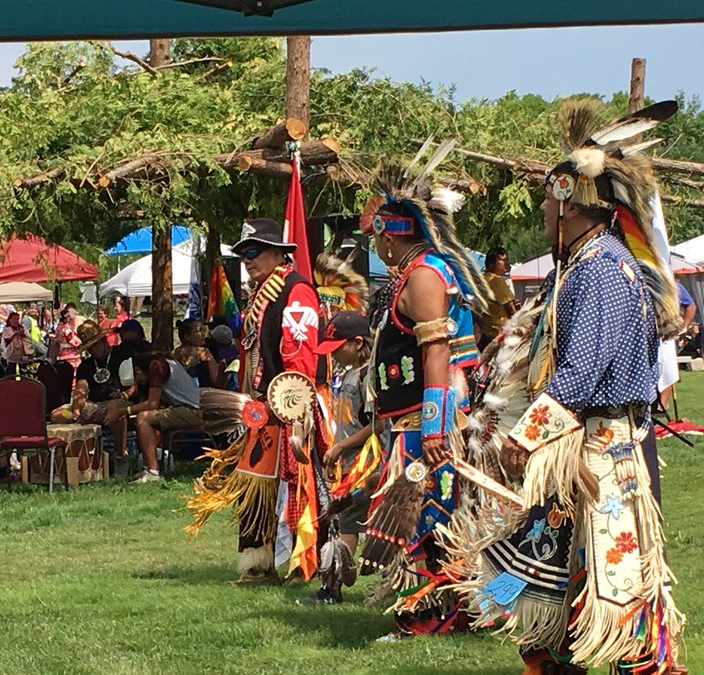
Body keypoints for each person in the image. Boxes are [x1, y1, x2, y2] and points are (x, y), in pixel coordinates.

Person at [452, 98, 704, 675]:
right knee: (548, 551)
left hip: (604, 442)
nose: (541, 212)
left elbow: (584, 370)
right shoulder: (583, 266)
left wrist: (528, 432)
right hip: (579, 437)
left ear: (568, 200)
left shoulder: (600, 271)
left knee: (617, 561)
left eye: (545, 201)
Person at [356, 163, 488, 640]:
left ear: (389, 237)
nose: (373, 245)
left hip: (427, 422)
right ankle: (454, 612)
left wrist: (432, 428)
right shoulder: (420, 272)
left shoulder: (424, 278)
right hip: (417, 419)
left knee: (425, 514)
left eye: (375, 236)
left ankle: (427, 617)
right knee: (433, 510)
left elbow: (437, 352)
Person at [186, 218, 321, 583]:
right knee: (256, 481)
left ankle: (297, 563)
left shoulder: (296, 291)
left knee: (294, 483)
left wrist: (292, 406)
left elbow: (300, 353)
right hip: (261, 407)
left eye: (255, 251)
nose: (247, 259)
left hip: (290, 405)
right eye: (244, 253)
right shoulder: (261, 294)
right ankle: (259, 562)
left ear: (280, 253)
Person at [299, 312, 380, 605]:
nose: (333, 353)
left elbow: (379, 423)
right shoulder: (348, 373)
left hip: (369, 465)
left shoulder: (370, 375)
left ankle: (334, 588)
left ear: (358, 343)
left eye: (337, 347)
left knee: (364, 525)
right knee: (346, 523)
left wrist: (342, 446)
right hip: (349, 464)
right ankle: (332, 587)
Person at [111, 353, 204, 484]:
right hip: (187, 407)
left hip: (193, 410)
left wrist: (124, 411)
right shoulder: (161, 363)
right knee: (144, 417)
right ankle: (148, 467)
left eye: (138, 379)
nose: (140, 383)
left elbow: (152, 403)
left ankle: (153, 471)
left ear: (137, 370)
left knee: (144, 418)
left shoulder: (157, 367)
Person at [63, 319, 131, 470]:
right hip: (93, 406)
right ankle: (75, 462)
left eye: (95, 345)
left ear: (103, 340)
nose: (93, 350)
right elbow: (80, 389)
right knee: (57, 415)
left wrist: (125, 394)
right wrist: (76, 409)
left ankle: (120, 456)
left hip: (119, 403)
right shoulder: (86, 366)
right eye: (89, 348)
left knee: (116, 410)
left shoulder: (121, 356)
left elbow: (136, 385)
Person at [658, 281, 697, 410]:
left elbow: (691, 306)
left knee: (667, 368)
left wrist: (683, 328)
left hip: (666, 334)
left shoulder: (673, 286)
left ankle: (661, 406)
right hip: (646, 333)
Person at [479, 245, 516, 349]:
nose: (506, 263)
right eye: (502, 260)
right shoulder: (496, 281)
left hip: (485, 332)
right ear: (491, 263)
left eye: (507, 260)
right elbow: (511, 310)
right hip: (499, 333)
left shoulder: (482, 279)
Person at [173, 319, 222, 387]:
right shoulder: (203, 352)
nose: (203, 334)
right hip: (200, 394)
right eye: (199, 331)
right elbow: (216, 379)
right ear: (187, 337)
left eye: (203, 330)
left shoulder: (174, 353)